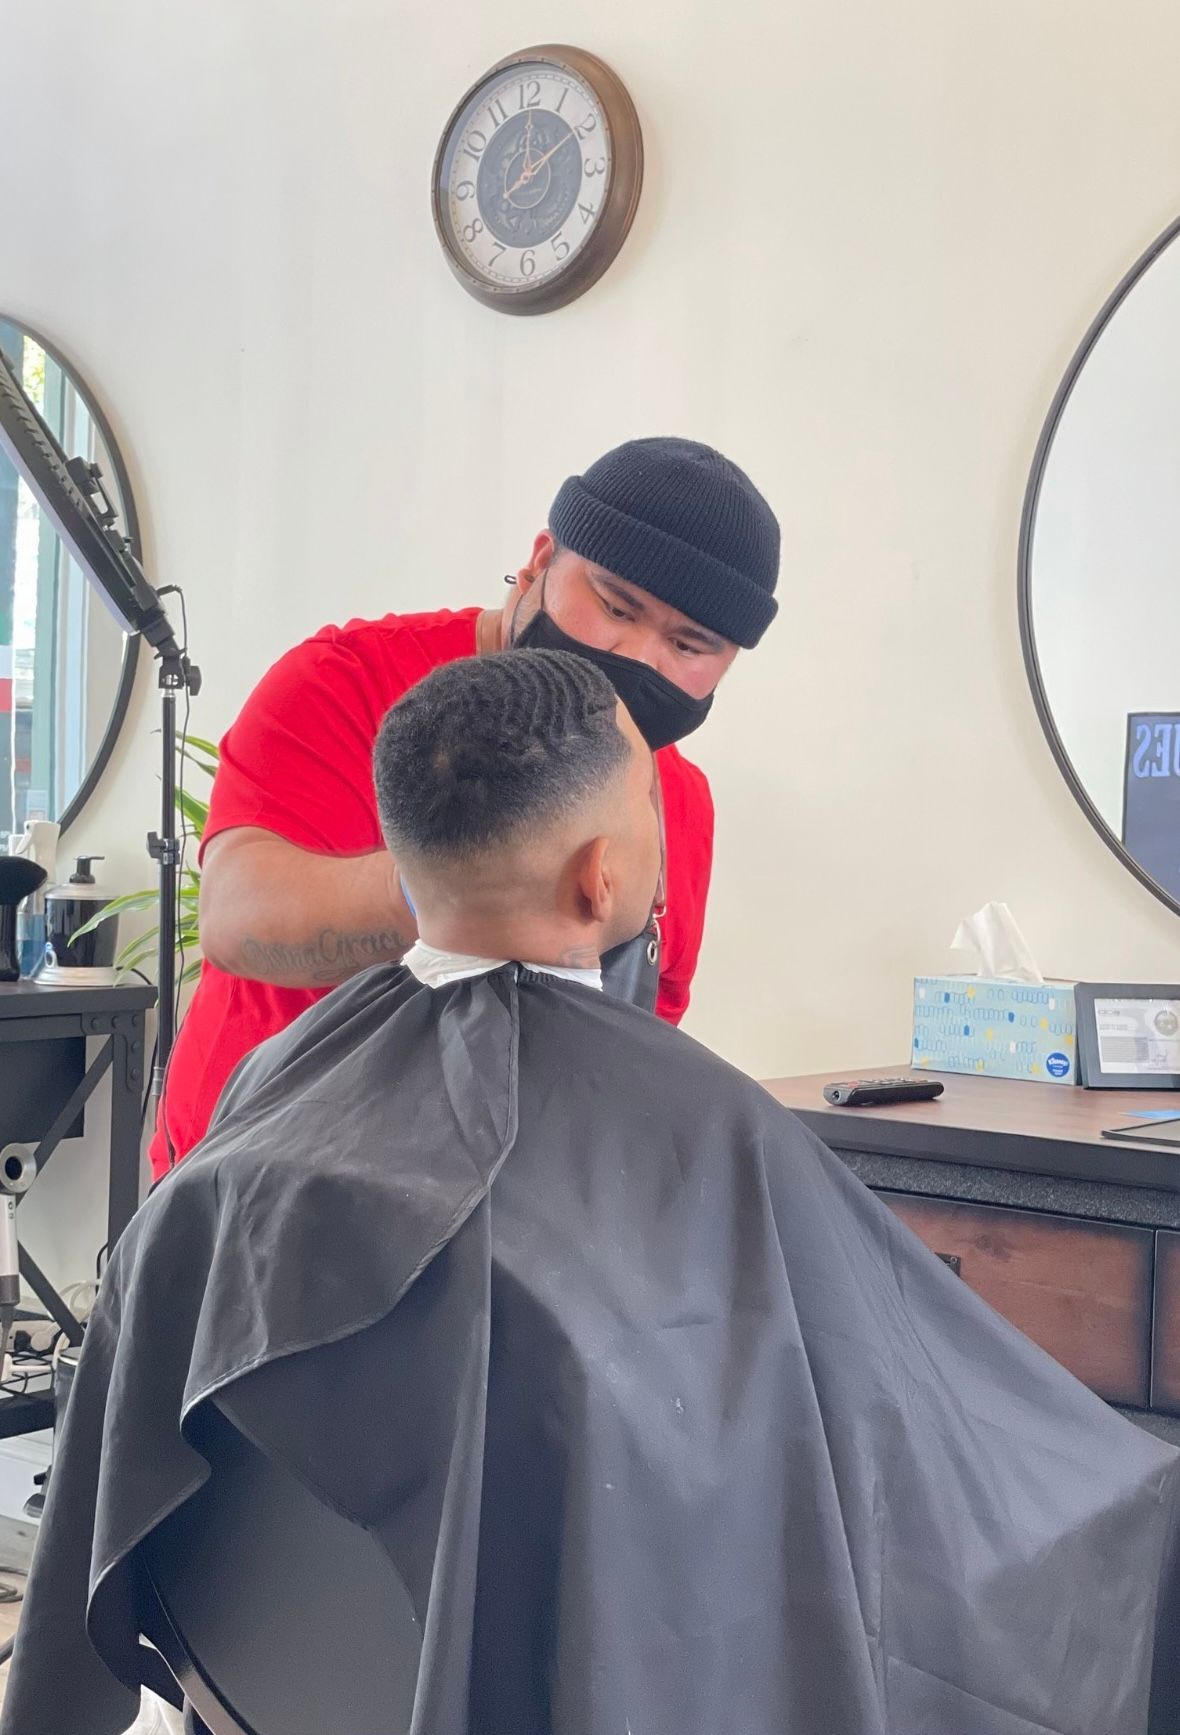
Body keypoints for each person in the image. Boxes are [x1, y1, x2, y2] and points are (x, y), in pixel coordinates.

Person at [10, 651, 1180, 1735]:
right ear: (600, 876)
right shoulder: (706, 1127)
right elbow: (898, 1456)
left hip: (270, 1676)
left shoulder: (285, 1079)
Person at [151, 435, 781, 1176]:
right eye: (615, 606)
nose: (637, 657)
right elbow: (236, 921)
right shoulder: (344, 683)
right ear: (540, 562)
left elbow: (634, 1043)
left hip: (506, 1217)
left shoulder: (679, 805)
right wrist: (466, 885)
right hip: (258, 1188)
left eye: (689, 645)